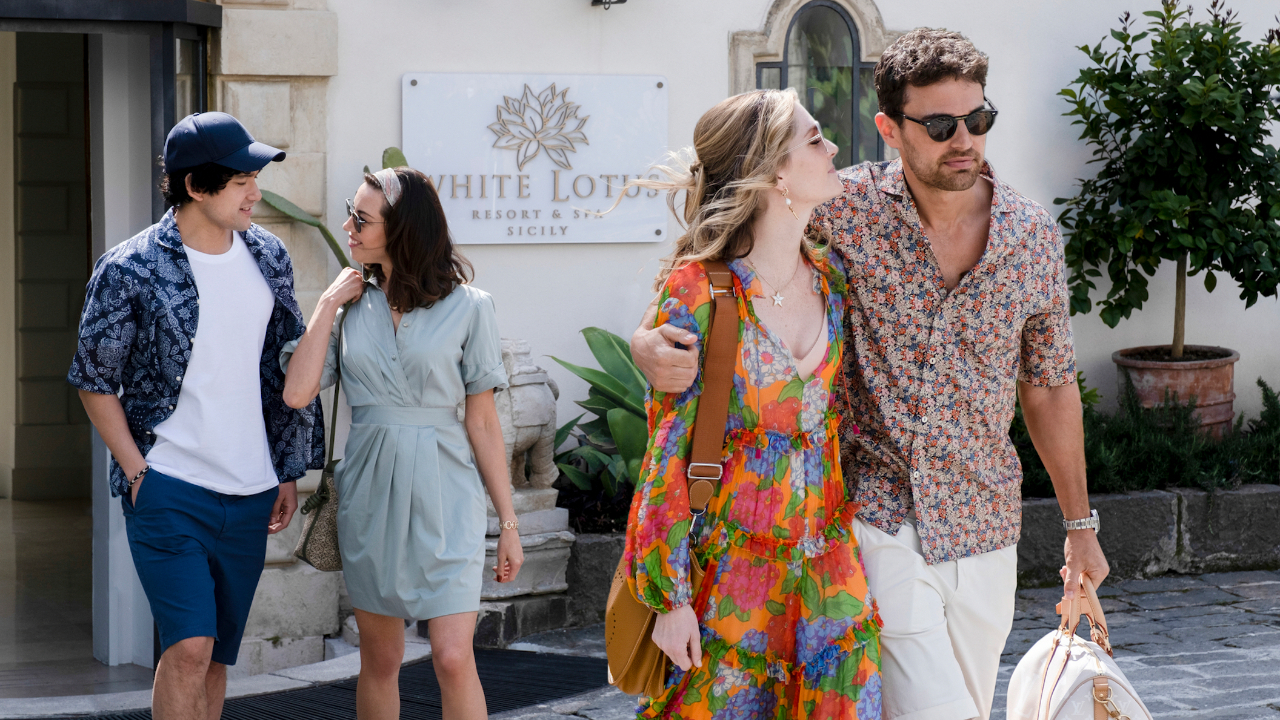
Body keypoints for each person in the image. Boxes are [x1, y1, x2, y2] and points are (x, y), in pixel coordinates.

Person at [632, 29, 1111, 720]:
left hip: (985, 520)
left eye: (978, 119)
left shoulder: (1029, 236)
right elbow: (731, 257)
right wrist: (646, 343)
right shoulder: (843, 210)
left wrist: (1079, 524)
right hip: (876, 515)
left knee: (970, 705)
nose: (965, 140)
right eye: (941, 126)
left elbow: (1051, 384)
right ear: (890, 128)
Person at [623, 88, 882, 720]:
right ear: (774, 173)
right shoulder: (700, 291)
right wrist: (669, 599)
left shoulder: (831, 278)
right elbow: (667, 454)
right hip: (730, 583)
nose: (833, 148)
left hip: (828, 577)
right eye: (814, 139)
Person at [68, 112, 323, 720]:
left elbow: (278, 371)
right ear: (195, 187)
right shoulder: (130, 268)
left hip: (252, 489)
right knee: (188, 648)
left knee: (214, 659)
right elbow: (93, 380)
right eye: (241, 182)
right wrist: (137, 472)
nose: (255, 194)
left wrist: (286, 470)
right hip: (169, 487)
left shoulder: (269, 257)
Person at [281, 167, 524, 720]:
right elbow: (296, 393)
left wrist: (509, 524)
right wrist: (326, 304)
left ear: (402, 229)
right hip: (371, 497)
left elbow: (484, 423)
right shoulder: (349, 306)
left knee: (453, 657)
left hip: (448, 495)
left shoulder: (471, 307)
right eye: (351, 214)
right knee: (381, 657)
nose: (348, 226)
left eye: (361, 219)